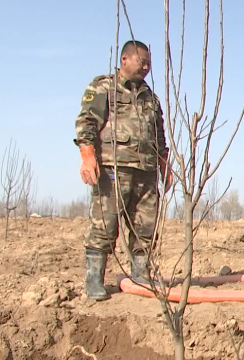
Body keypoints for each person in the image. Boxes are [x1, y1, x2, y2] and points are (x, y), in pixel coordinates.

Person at [74, 40, 173, 300]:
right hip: (113, 169)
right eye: (141, 61)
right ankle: (94, 280)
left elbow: (159, 136)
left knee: (145, 228)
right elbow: (86, 123)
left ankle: (140, 276)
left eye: (148, 63)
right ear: (124, 60)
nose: (145, 67)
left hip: (146, 171)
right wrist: (87, 156)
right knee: (105, 225)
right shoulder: (103, 87)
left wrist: (164, 164)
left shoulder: (151, 98)